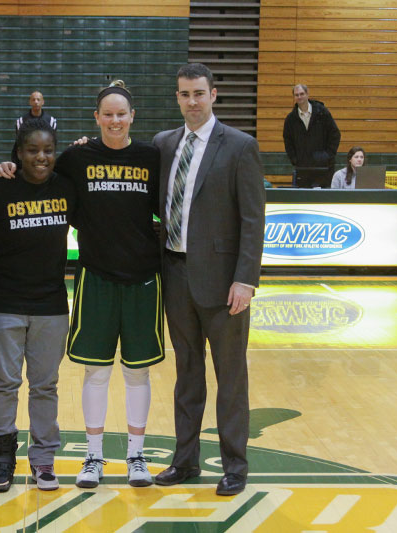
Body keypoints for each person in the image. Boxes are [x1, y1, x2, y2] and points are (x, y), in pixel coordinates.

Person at [0, 81, 162, 489]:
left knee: (137, 373)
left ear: (132, 117)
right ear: (97, 118)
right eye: (108, 114)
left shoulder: (152, 158)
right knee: (96, 372)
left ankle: (136, 457)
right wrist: (3, 168)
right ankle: (93, 457)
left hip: (143, 279)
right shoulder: (76, 158)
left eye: (122, 114)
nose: (115, 120)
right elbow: (37, 167)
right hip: (95, 277)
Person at [152, 63, 265, 496]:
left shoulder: (239, 146)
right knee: (187, 376)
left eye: (199, 93)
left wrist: (245, 280)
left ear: (213, 95)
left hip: (223, 285)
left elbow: (253, 220)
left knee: (230, 378)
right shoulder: (165, 144)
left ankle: (235, 465)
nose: (192, 102)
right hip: (176, 275)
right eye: (184, 94)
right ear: (177, 97)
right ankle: (186, 461)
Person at [0, 118, 77, 493]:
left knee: (45, 385)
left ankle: (43, 459)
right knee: (4, 383)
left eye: (48, 151)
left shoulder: (67, 189)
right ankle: (2, 455)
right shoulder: (0, 188)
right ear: (18, 155)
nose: (42, 157)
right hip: (5, 302)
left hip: (51, 306)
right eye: (33, 151)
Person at [282, 84, 340, 186]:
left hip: (324, 168)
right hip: (303, 168)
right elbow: (288, 142)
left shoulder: (322, 112)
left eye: (302, 94)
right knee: (304, 200)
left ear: (307, 94)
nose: (299, 97)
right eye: (296, 95)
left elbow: (335, 134)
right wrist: (295, 159)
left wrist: (327, 155)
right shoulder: (290, 119)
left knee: (323, 199)